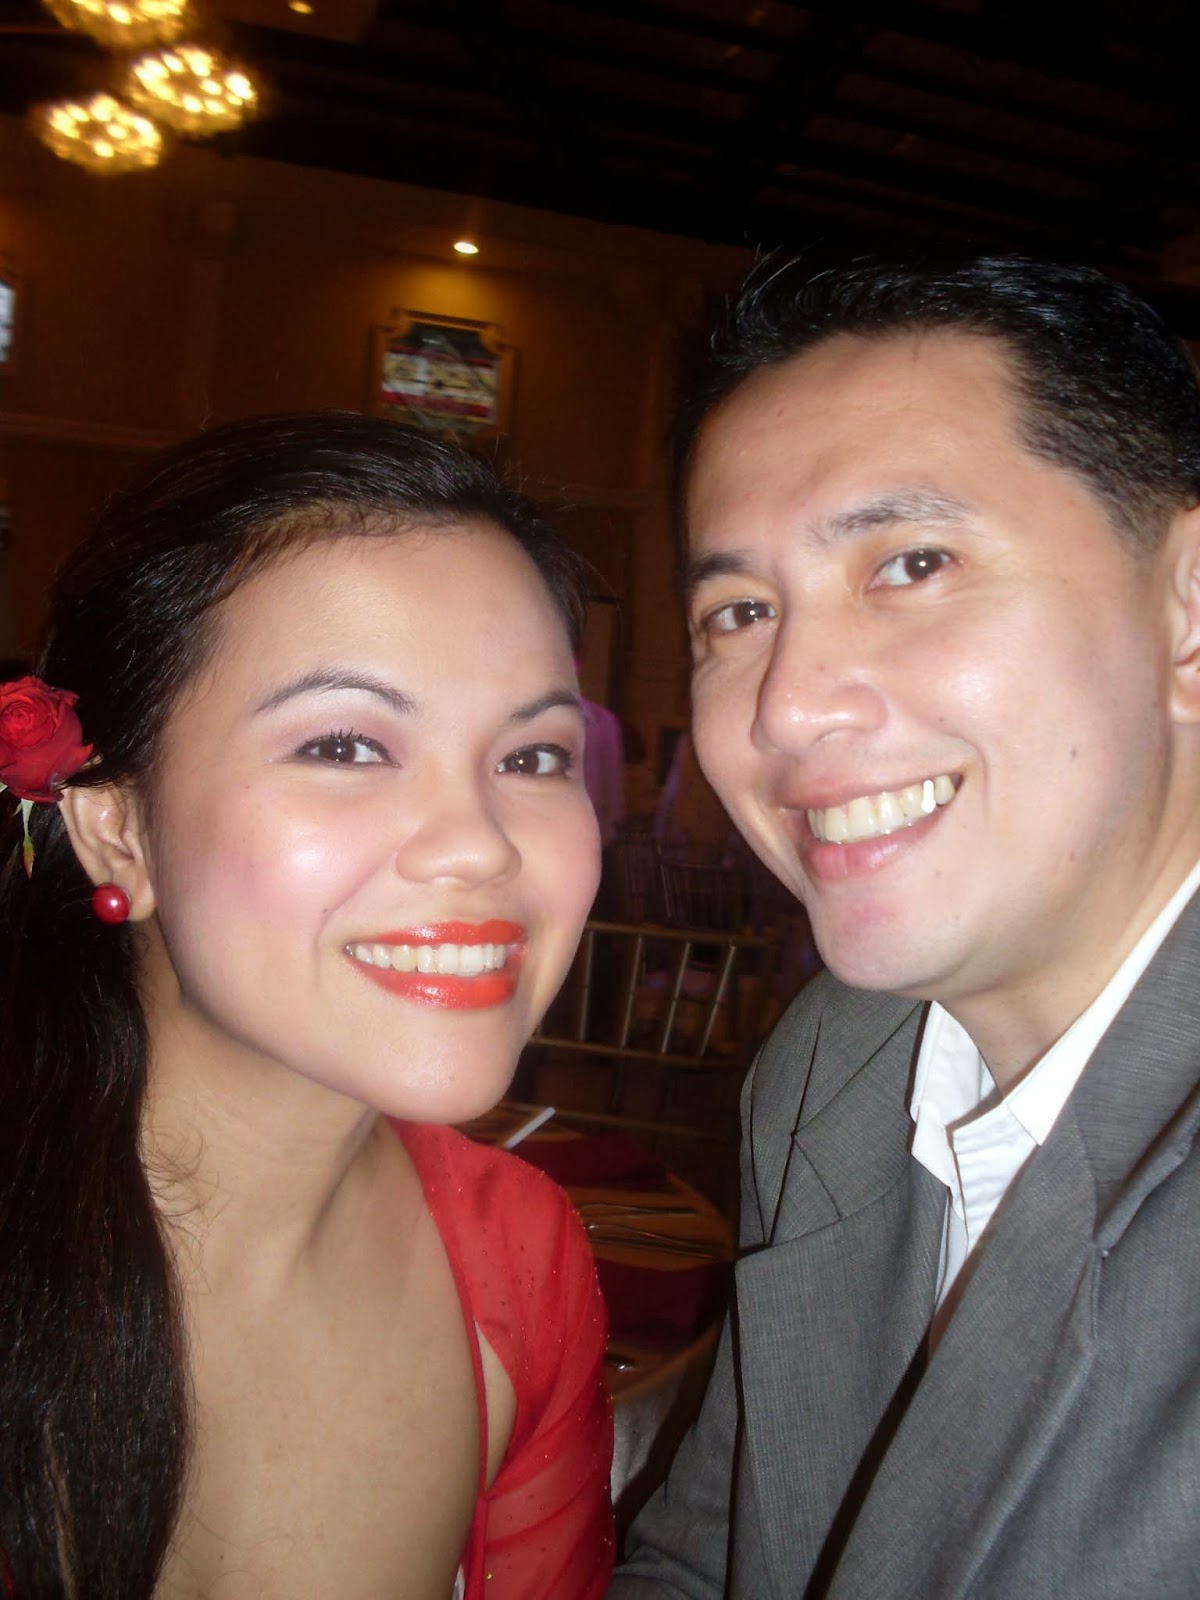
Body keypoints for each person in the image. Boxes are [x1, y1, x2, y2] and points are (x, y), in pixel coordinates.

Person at [609, 255, 1200, 1598]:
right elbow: (706, 1559)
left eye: (913, 564)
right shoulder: (836, 1063)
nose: (784, 707)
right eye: (740, 612)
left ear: (1185, 612)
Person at [0, 412, 614, 1599]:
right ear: (117, 827)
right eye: (343, 745)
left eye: (533, 757)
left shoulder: (521, 1260)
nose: (480, 845)